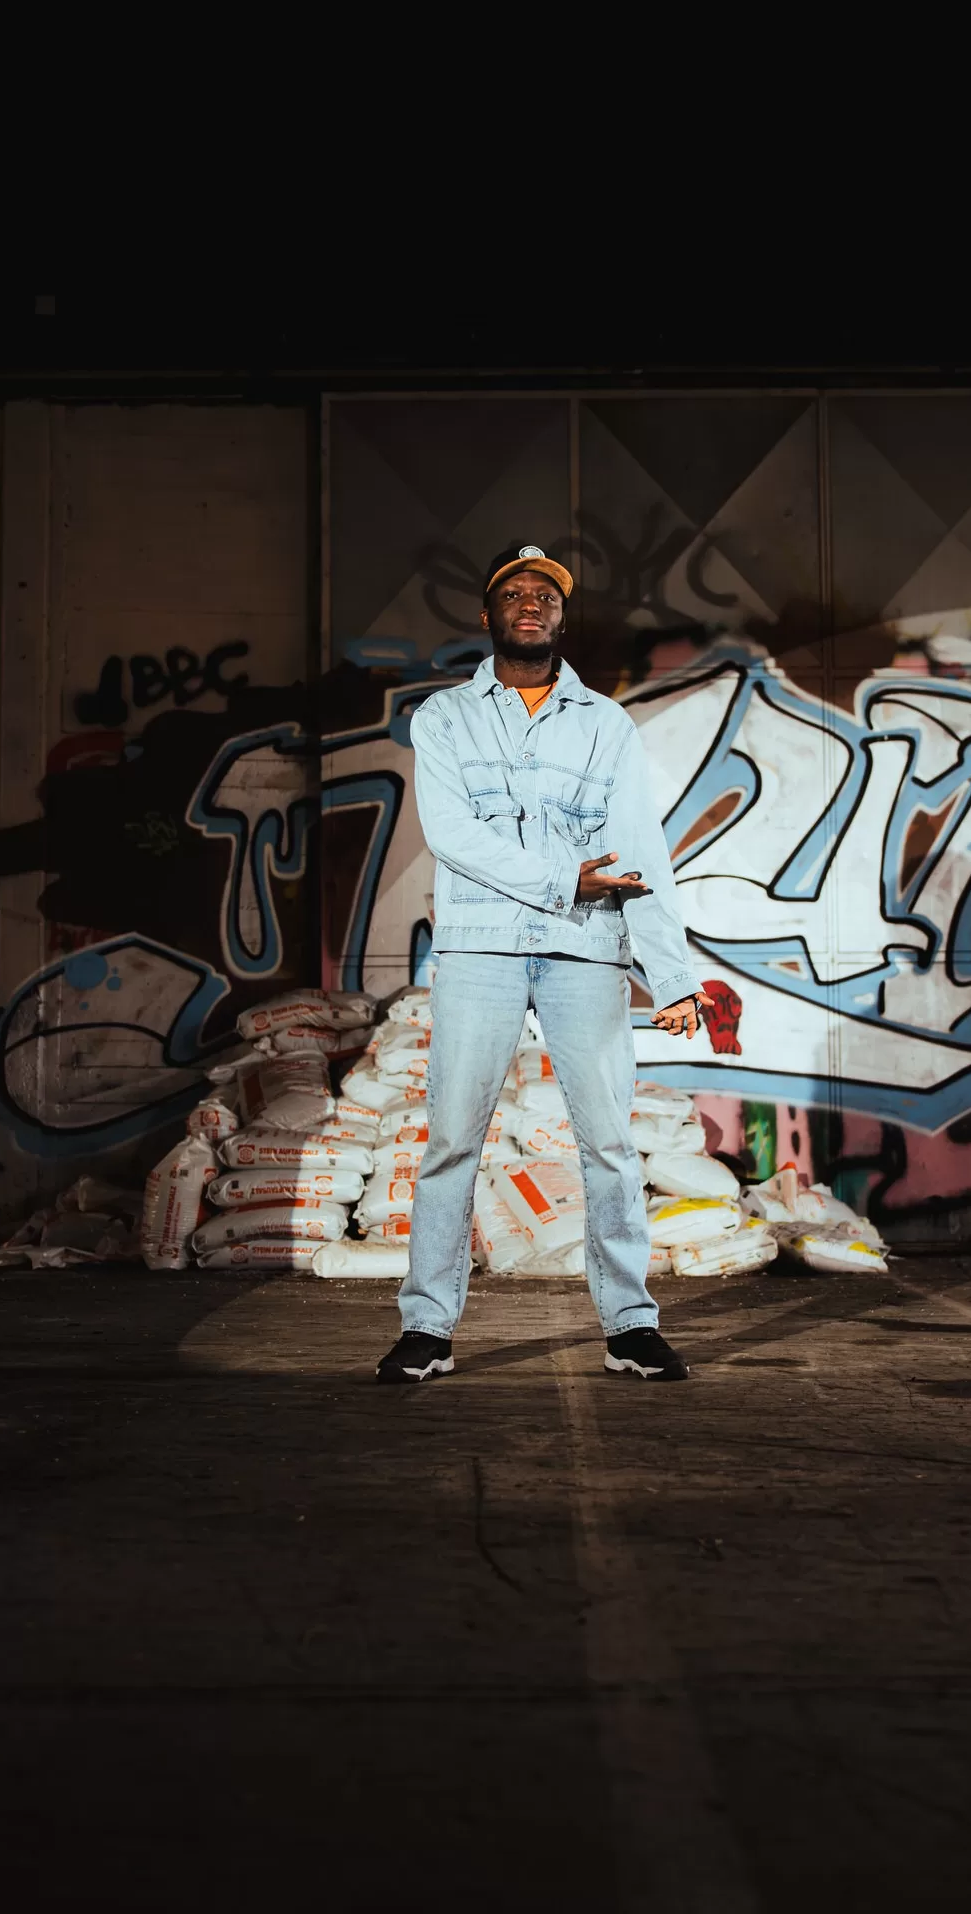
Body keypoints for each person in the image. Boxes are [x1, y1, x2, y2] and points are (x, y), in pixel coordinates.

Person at [376, 543, 705, 1384]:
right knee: (453, 1139)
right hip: (481, 949)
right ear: (486, 616)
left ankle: (630, 1324)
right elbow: (453, 835)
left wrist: (670, 978)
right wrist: (568, 875)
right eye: (514, 594)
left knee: (608, 1145)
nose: (532, 605)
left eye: (546, 597)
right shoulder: (445, 718)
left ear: (561, 618)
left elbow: (642, 855)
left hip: (585, 951)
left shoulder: (603, 725)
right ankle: (427, 1329)